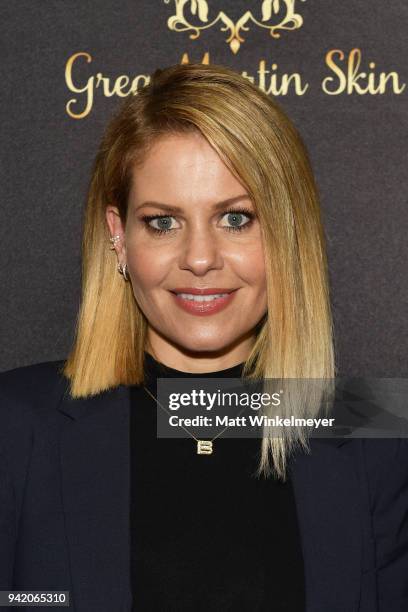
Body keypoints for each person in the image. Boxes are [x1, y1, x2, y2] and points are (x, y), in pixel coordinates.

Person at [0, 63, 407, 612]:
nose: (199, 259)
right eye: (163, 222)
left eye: (235, 219)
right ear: (118, 237)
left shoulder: (377, 437)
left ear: (286, 233)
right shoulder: (15, 428)